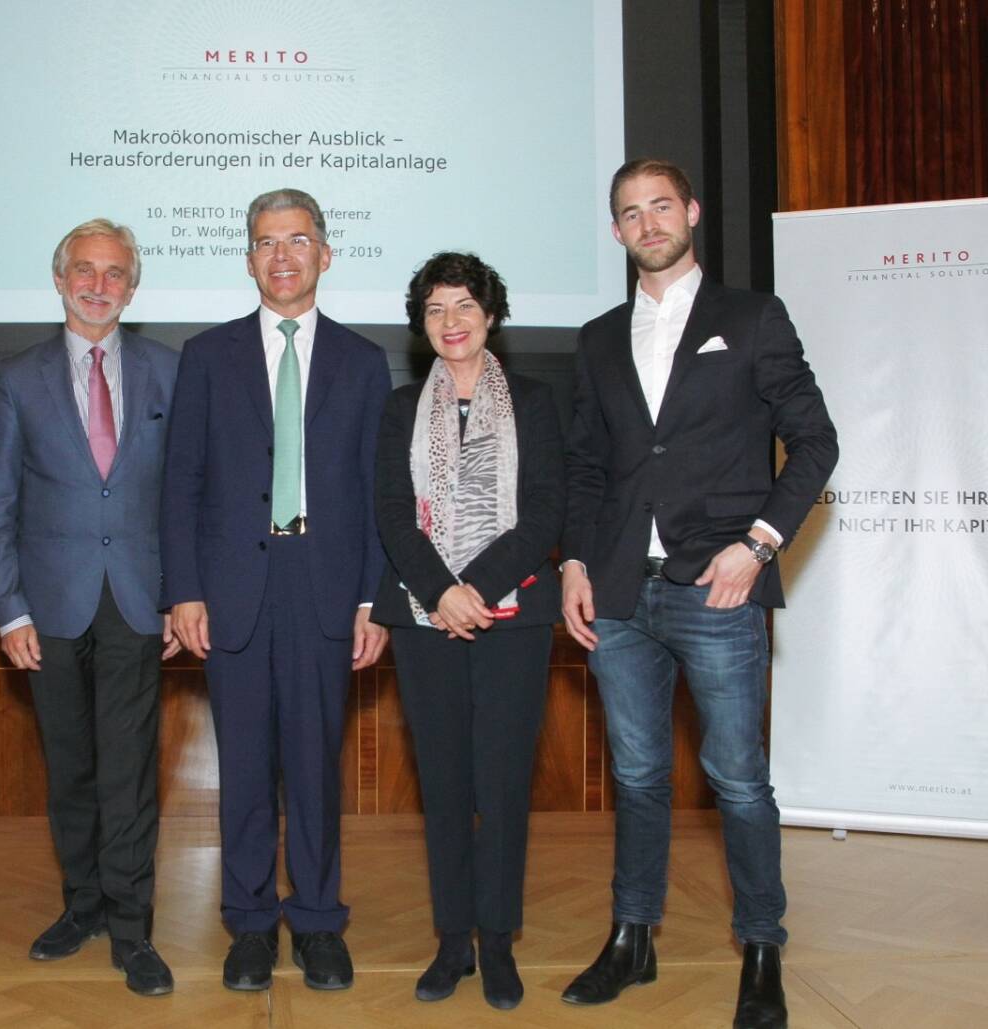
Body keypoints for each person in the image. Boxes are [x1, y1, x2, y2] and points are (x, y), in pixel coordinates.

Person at [558, 158, 838, 1029]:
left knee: (739, 781)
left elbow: (816, 442)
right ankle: (632, 937)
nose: (647, 223)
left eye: (660, 207)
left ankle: (762, 948)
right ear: (615, 232)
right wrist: (574, 563)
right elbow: (585, 464)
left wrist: (757, 545)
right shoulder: (598, 336)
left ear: (693, 213)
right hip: (617, 593)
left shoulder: (752, 317)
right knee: (638, 776)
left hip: (717, 589)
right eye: (630, 213)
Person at [160, 188, 392, 992]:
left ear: (326, 254)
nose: (282, 255)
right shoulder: (207, 355)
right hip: (233, 590)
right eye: (265, 242)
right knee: (247, 767)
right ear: (249, 257)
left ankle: (320, 919)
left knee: (316, 765)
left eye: (298, 240)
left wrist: (373, 598)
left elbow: (375, 492)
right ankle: (251, 921)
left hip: (326, 588)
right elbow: (180, 481)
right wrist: (184, 589)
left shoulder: (364, 363)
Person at [0, 218, 179, 996]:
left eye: (116, 273)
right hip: (49, 607)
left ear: (134, 286)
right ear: (60, 279)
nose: (100, 285)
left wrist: (181, 597)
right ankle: (82, 905)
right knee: (70, 771)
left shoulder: (169, 369)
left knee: (129, 772)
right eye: (86, 271)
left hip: (138, 601)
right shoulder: (17, 376)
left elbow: (184, 495)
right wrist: (9, 608)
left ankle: (133, 930)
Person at [371, 252, 565, 1010]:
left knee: (503, 782)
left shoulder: (539, 402)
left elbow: (547, 508)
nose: (451, 322)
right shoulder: (398, 409)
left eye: (464, 307)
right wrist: (439, 592)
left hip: (513, 617)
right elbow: (390, 511)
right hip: (424, 619)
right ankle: (453, 939)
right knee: (445, 781)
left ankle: (499, 940)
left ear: (491, 315)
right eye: (435, 310)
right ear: (423, 324)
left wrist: (474, 588)